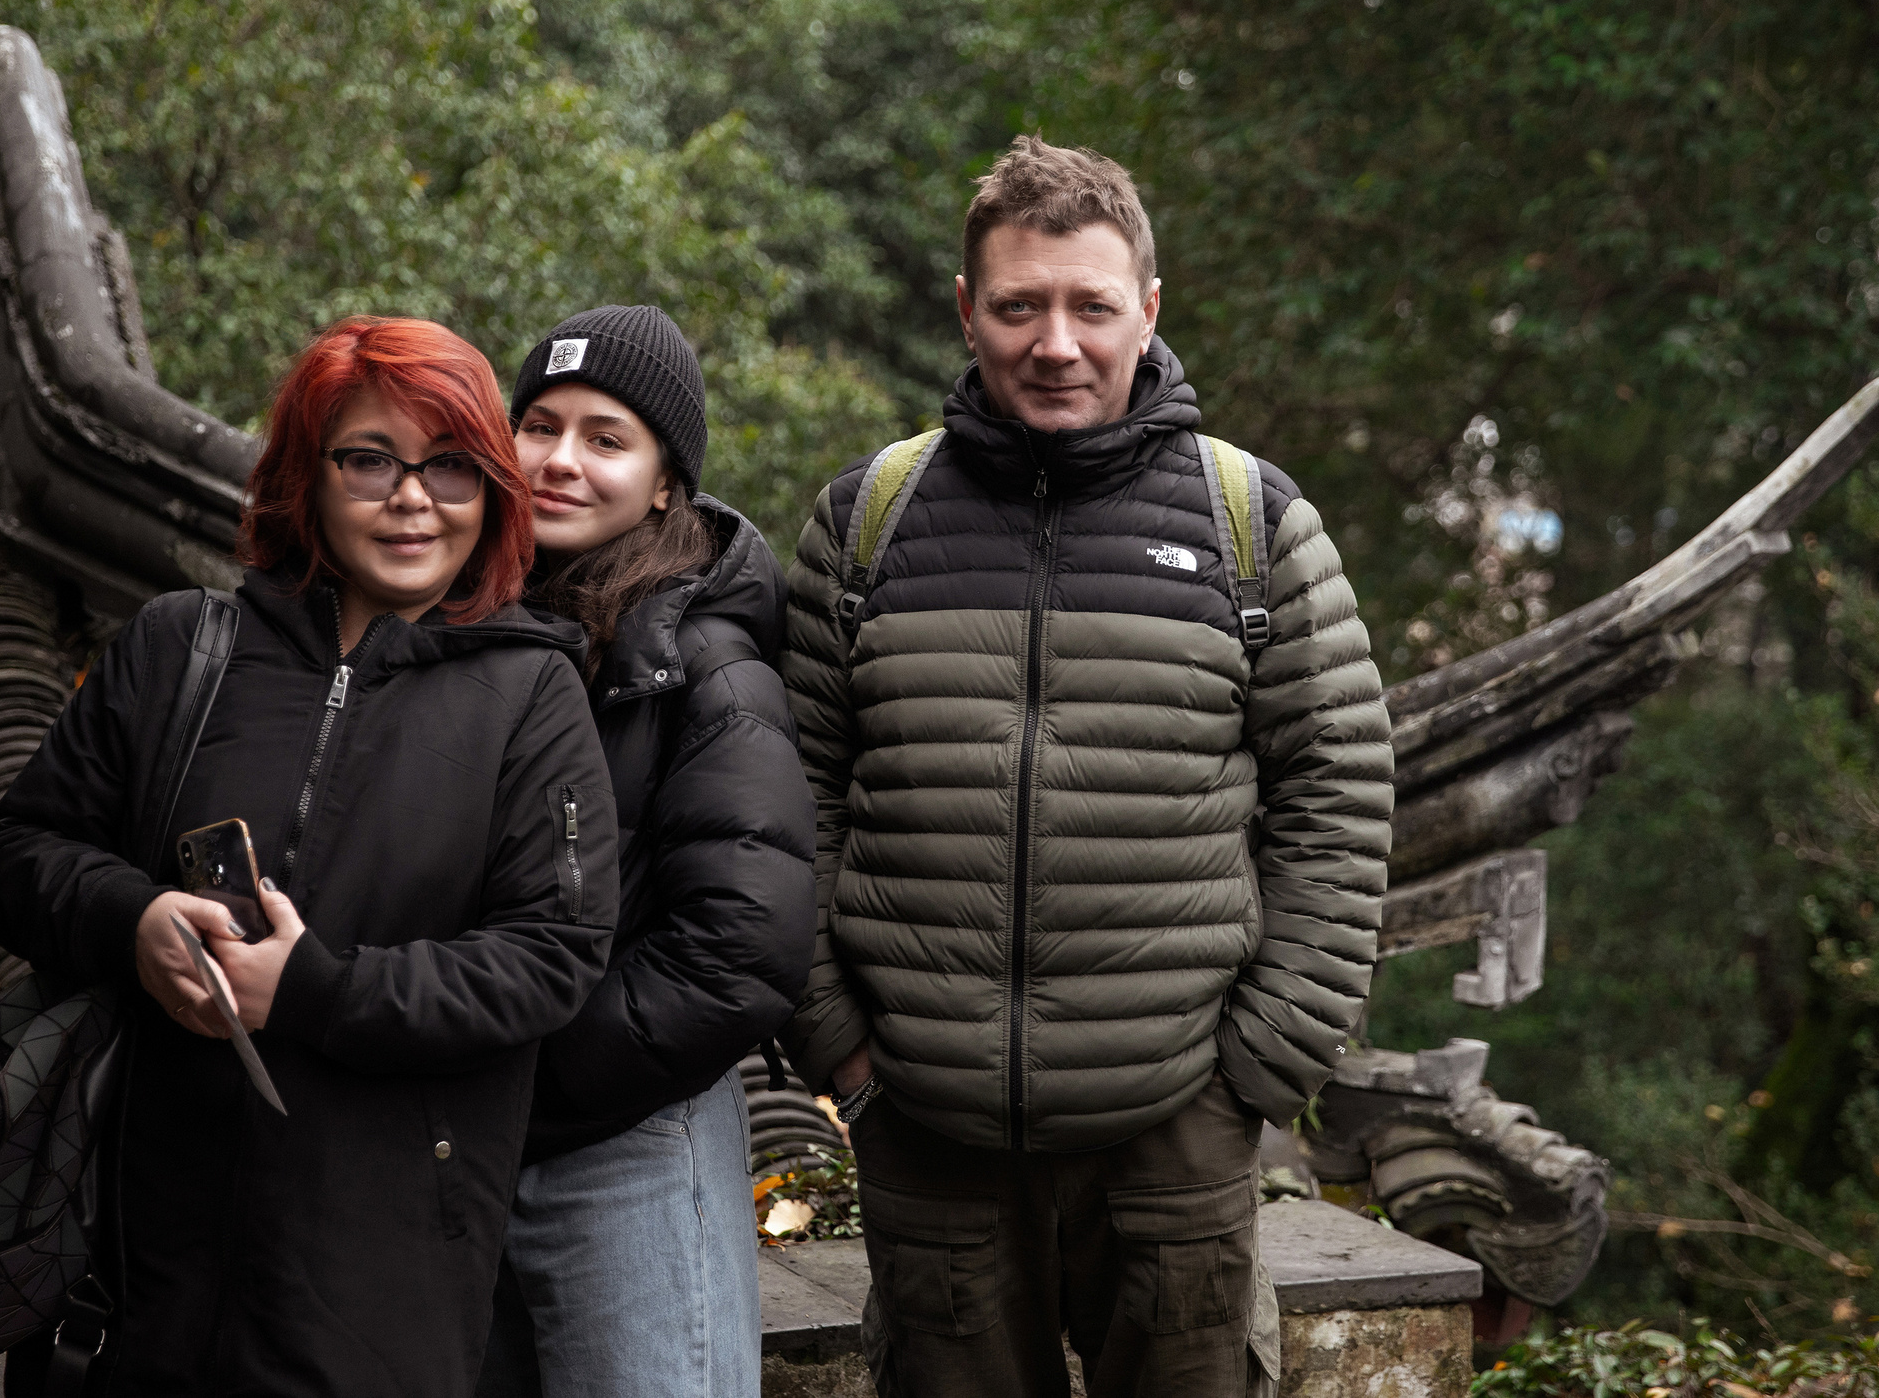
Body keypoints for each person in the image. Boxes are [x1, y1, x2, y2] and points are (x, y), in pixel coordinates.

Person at [778, 138, 1393, 1398]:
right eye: (1018, 306)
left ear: (1146, 310)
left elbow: (1338, 804)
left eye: (1090, 306)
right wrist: (844, 1049)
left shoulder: (1252, 526)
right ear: (967, 311)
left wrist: (1256, 1074)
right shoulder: (866, 522)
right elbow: (788, 807)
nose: (1054, 342)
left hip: (1176, 1136)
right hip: (927, 1134)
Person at [0, 316, 618, 1398]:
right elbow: (22, 855)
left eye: (452, 466)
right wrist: (133, 922)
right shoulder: (182, 647)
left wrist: (315, 988)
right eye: (370, 459)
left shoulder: (531, 695)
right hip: (132, 1258)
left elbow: (552, 953)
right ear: (305, 475)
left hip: (382, 1274)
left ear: (493, 490)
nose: (412, 498)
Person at [478, 305, 815, 1398]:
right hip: (457, 1139)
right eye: (540, 425)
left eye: (606, 438)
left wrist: (517, 1082)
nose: (560, 461)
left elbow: (738, 953)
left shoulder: (706, 666)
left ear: (667, 481)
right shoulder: (446, 622)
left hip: (630, 1135)